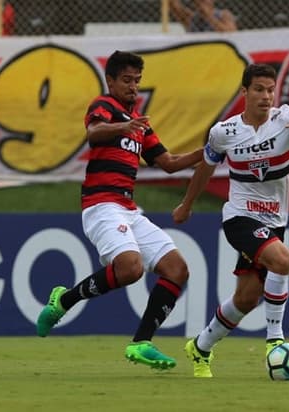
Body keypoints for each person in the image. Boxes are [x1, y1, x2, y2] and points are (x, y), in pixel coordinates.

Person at [36, 50, 203, 370]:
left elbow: (168, 163)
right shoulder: (105, 107)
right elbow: (93, 132)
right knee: (130, 268)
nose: (133, 87)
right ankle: (64, 301)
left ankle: (141, 343)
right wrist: (120, 129)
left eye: (137, 81)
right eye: (126, 80)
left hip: (127, 208)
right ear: (110, 80)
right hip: (100, 205)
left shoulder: (138, 121)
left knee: (177, 269)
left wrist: (208, 150)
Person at [172, 63, 289, 377]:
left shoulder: (286, 118)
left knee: (246, 298)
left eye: (270, 90)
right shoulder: (224, 132)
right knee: (283, 260)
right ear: (244, 92)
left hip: (274, 221)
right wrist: (187, 204)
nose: (266, 96)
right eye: (259, 89)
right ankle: (275, 340)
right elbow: (205, 168)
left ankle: (201, 347)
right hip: (239, 217)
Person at [169, 0, 237, 32]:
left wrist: (208, 16)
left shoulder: (223, 15)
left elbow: (231, 34)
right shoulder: (191, 18)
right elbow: (173, 5)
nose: (202, 3)